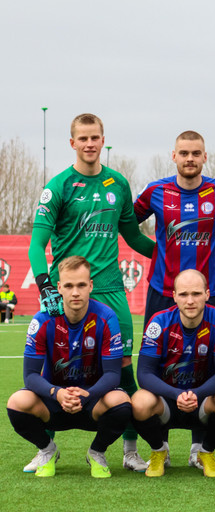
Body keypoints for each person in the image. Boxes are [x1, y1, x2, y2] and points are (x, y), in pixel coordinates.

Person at [27, 113, 154, 472]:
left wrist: (171, 255)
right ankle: (46, 448)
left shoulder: (118, 184)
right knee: (53, 368)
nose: (89, 143)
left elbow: (134, 237)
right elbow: (36, 245)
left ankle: (130, 451)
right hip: (65, 292)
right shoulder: (59, 186)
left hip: (110, 290)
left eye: (95, 137)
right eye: (82, 138)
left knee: (124, 368)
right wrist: (46, 285)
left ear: (102, 139)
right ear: (72, 143)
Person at [134, 130, 215, 467]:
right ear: (174, 156)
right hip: (163, 290)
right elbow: (126, 222)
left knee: (203, 363)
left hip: (205, 292)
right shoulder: (156, 190)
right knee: (160, 364)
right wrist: (154, 250)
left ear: (205, 157)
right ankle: (161, 446)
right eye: (184, 153)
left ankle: (198, 447)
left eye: (196, 153)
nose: (190, 159)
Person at [6, 256, 131, 478]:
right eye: (69, 286)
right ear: (59, 287)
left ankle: (97, 452)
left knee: (122, 402)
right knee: (17, 402)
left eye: (81, 285)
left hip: (92, 400)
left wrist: (87, 394)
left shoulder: (107, 317)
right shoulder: (42, 319)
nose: (75, 292)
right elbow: (30, 375)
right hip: (54, 401)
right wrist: (57, 393)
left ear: (90, 286)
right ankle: (47, 450)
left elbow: (113, 374)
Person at [132, 269, 215, 477]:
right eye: (183, 294)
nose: (190, 301)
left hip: (202, 401)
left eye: (196, 294)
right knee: (139, 402)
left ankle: (205, 452)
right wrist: (176, 394)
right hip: (166, 401)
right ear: (174, 296)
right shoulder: (159, 322)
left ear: (207, 294)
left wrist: (196, 394)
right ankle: (159, 451)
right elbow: (144, 373)